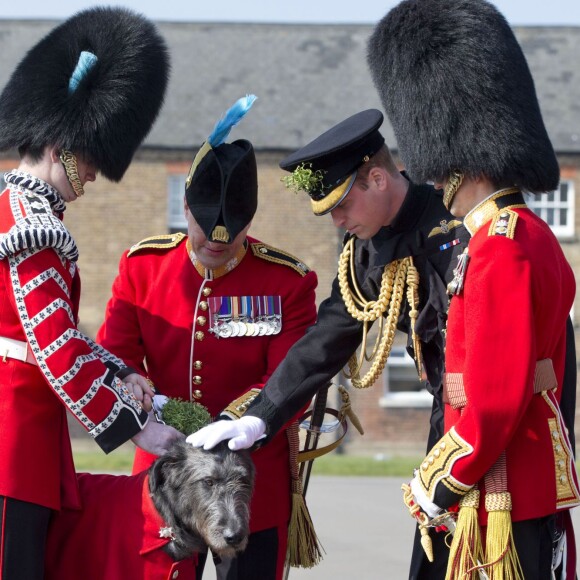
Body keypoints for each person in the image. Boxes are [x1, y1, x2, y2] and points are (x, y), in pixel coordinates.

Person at [366, 0, 580, 578]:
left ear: (463, 163)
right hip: (516, 471)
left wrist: (441, 478)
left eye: (440, 170)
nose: (436, 182)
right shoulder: (526, 234)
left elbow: (497, 394)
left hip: (500, 478)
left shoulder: (500, 245)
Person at [96, 95, 319, 580]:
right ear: (185, 208)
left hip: (251, 482)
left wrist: (239, 421)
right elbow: (114, 351)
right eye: (203, 232)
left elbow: (291, 377)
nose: (215, 244)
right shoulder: (143, 267)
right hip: (167, 476)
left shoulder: (289, 282)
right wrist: (134, 385)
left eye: (232, 235)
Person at [0, 8, 183, 579]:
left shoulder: (22, 212)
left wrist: (121, 376)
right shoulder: (34, 229)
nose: (95, 174)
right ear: (60, 143)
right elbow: (54, 353)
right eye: (90, 157)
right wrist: (138, 423)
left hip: (26, 440)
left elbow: (53, 337)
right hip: (12, 442)